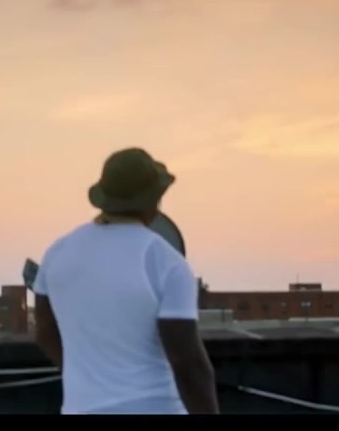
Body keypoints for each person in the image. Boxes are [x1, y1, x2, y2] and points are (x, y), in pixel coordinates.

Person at [32, 147, 220, 414]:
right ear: (153, 200)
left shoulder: (57, 253)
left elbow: (44, 332)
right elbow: (187, 362)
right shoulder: (165, 261)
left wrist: (86, 377)